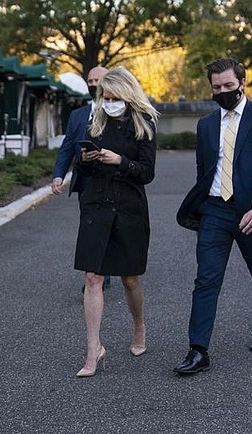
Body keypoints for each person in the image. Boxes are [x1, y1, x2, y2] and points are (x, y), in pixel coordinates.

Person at [174, 57, 252, 376]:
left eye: (228, 85)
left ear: (242, 83)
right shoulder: (206, 125)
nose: (223, 91)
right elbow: (203, 171)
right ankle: (198, 349)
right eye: (216, 87)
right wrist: (201, 206)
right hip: (215, 210)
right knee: (206, 279)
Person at [72, 67, 159, 377]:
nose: (108, 102)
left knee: (130, 279)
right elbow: (79, 169)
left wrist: (120, 161)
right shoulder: (95, 123)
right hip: (96, 207)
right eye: (104, 97)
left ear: (127, 95)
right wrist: (85, 160)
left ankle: (138, 326)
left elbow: (147, 172)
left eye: (113, 97)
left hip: (129, 208)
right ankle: (93, 351)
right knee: (92, 278)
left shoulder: (144, 124)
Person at [51, 66, 111, 293]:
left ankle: (102, 272)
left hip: (110, 181)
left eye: (99, 80)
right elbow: (67, 148)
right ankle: (97, 274)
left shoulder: (119, 111)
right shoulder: (77, 115)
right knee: (90, 228)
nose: (94, 84)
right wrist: (59, 174)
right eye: (90, 80)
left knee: (108, 227)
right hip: (84, 183)